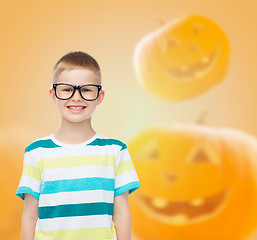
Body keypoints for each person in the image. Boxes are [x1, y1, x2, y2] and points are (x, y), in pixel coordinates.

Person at [15, 51, 141, 240]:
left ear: (99, 96)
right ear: (53, 94)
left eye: (86, 89)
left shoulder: (116, 151)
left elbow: (121, 213)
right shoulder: (36, 152)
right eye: (67, 89)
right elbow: (30, 215)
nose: (76, 97)